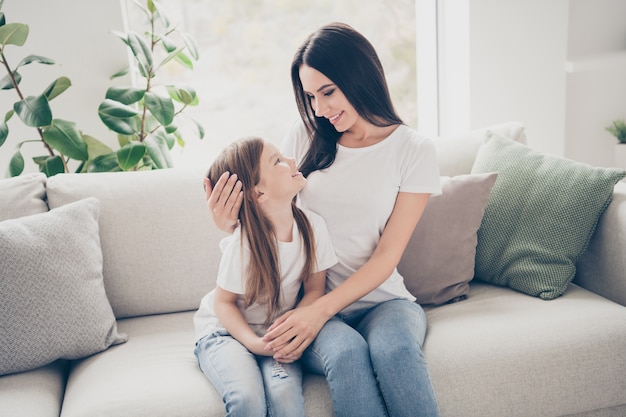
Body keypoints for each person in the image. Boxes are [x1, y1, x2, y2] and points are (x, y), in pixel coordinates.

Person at [205, 22, 441, 417]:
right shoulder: (304, 135)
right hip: (305, 302)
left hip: (383, 303)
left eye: (328, 92)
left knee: (396, 351)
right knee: (347, 355)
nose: (320, 109)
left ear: (360, 75)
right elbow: (270, 211)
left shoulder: (413, 150)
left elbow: (386, 257)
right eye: (311, 96)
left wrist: (322, 309)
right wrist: (227, 225)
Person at [194, 137, 338, 417]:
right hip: (225, 332)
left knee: (284, 396)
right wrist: (254, 344)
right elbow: (224, 303)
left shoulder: (313, 227)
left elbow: (314, 289)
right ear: (259, 193)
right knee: (246, 399)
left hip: (272, 332)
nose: (293, 161)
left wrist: (289, 332)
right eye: (278, 161)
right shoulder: (244, 242)